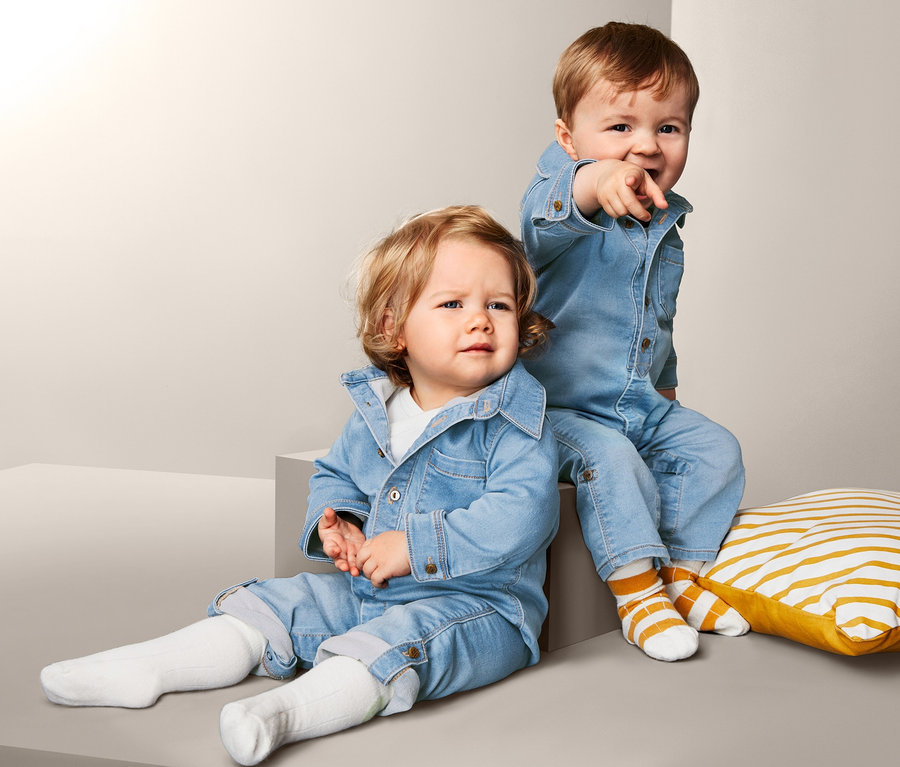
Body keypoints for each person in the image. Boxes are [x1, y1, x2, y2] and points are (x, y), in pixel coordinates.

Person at [40, 205, 560, 764]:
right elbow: (337, 475)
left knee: (401, 644)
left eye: (498, 305)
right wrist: (342, 522)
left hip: (475, 609)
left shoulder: (515, 425)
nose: (480, 319)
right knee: (272, 604)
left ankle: (285, 715)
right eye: (453, 304)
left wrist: (415, 546)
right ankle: (151, 666)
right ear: (394, 329)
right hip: (368, 589)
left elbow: (523, 513)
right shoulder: (378, 414)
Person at [520, 22, 748, 662]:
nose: (645, 146)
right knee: (611, 460)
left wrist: (665, 388)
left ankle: (682, 573)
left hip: (637, 403)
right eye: (620, 128)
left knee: (715, 449)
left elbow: (656, 321)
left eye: (667, 128)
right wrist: (597, 184)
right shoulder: (560, 199)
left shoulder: (667, 227)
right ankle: (638, 593)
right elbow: (547, 214)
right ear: (569, 138)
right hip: (556, 410)